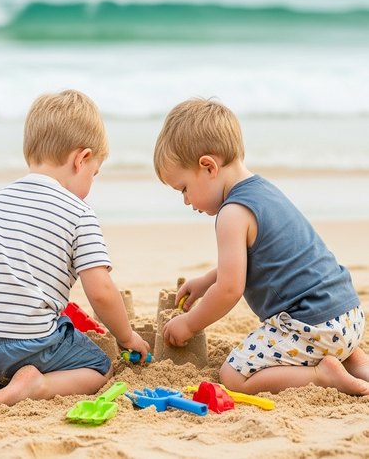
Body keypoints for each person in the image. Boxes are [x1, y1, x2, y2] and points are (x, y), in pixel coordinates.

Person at [0, 89, 149, 407]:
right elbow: (101, 291)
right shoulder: (79, 213)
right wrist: (126, 337)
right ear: (81, 159)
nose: (91, 184)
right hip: (25, 345)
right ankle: (34, 385)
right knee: (98, 366)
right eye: (94, 174)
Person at [154, 97, 369, 396]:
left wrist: (189, 324)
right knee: (335, 342)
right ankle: (356, 362)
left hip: (313, 326)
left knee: (232, 375)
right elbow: (263, 256)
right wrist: (206, 279)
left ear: (208, 167)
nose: (187, 201)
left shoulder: (232, 213)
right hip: (348, 316)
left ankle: (322, 375)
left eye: (185, 189)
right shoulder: (264, 190)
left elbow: (230, 290)